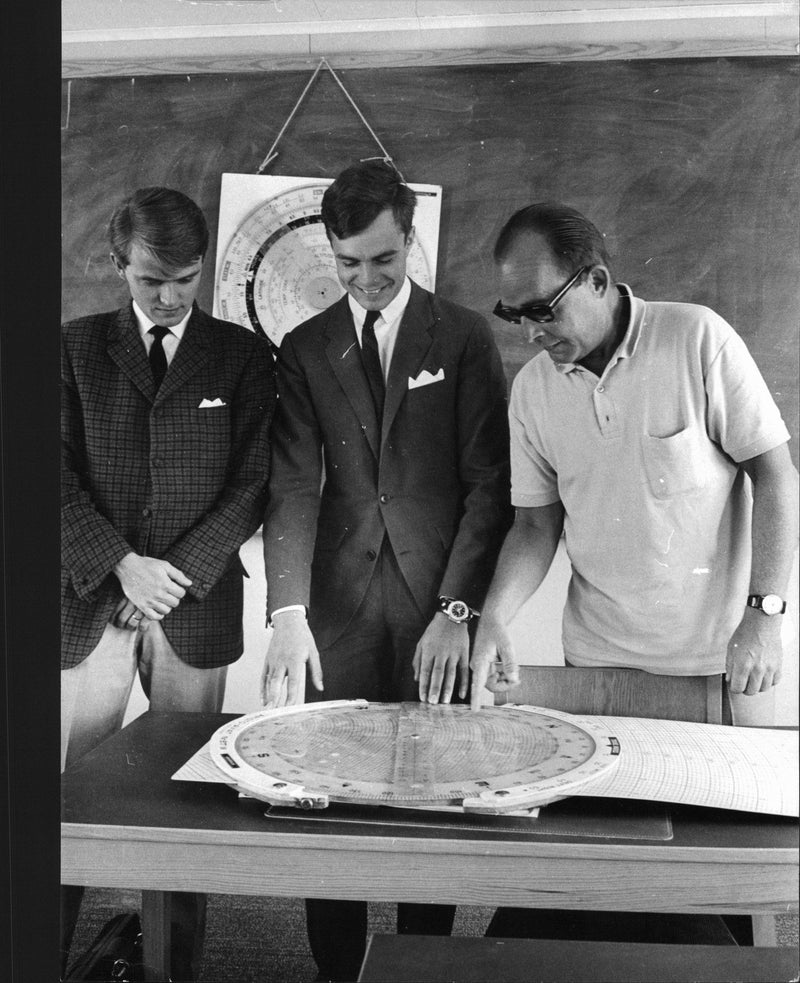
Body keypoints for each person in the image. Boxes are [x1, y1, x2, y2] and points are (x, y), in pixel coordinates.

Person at [469, 200, 798, 941]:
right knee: (595, 883)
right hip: (599, 667)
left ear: (598, 279)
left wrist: (765, 614)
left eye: (543, 311)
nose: (531, 333)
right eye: (513, 314)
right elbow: (534, 522)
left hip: (718, 670)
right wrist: (494, 615)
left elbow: (776, 476)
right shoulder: (533, 390)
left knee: (719, 896)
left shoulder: (697, 338)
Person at [261, 159, 512, 981]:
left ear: (412, 241)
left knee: (428, 802)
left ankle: (418, 967)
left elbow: (489, 487)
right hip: (335, 612)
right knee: (327, 803)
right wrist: (287, 614)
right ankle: (337, 972)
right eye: (348, 263)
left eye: (384, 260)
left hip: (434, 610)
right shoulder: (304, 347)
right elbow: (293, 483)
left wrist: (459, 609)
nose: (366, 280)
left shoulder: (466, 335)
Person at [61, 186, 276, 980]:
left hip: (193, 602)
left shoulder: (245, 355)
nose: (171, 296)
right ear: (119, 264)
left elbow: (255, 480)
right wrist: (122, 563)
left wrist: (171, 576)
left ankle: (176, 965)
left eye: (186, 279)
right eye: (153, 280)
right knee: (68, 799)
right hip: (91, 599)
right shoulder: (72, 348)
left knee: (190, 801)